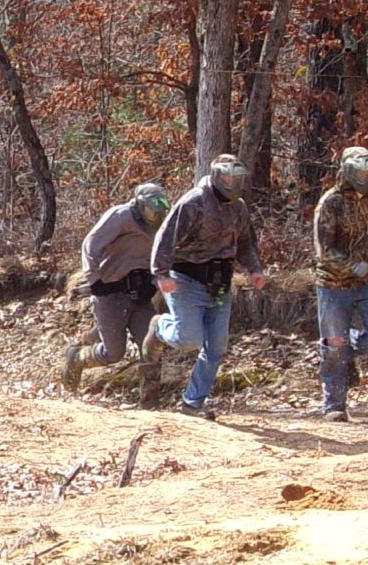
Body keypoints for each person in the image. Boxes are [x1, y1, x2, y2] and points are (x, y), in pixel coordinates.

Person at [142, 154, 266, 420]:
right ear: (217, 176)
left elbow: (245, 243)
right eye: (228, 177)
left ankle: (193, 402)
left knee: (216, 347)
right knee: (189, 339)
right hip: (186, 280)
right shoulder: (194, 202)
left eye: (237, 178)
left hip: (220, 284)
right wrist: (160, 274)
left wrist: (255, 269)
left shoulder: (239, 207)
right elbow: (165, 237)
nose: (233, 183)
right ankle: (159, 327)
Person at [311, 146, 368, 422]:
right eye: (360, 172)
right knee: (334, 343)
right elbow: (323, 250)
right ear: (348, 172)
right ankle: (334, 406)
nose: (366, 177)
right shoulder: (331, 202)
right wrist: (351, 265)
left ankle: (344, 352)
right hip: (334, 284)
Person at [60, 183, 171, 405]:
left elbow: (163, 257)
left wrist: (153, 284)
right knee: (113, 353)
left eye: (160, 210)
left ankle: (150, 402)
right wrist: (95, 280)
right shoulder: (121, 216)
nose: (156, 214)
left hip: (140, 293)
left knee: (151, 347)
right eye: (152, 209)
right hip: (110, 292)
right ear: (140, 205)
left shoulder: (162, 225)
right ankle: (77, 357)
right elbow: (90, 245)